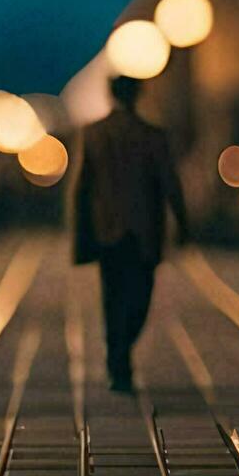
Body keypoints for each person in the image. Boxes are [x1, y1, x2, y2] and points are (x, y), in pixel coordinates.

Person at [70, 75, 189, 393]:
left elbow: (82, 186)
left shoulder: (94, 133)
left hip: (106, 229)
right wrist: (183, 222)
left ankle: (117, 353)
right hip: (143, 230)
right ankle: (121, 355)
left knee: (112, 296)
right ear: (138, 95)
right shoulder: (153, 135)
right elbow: (169, 183)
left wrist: (81, 233)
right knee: (140, 296)